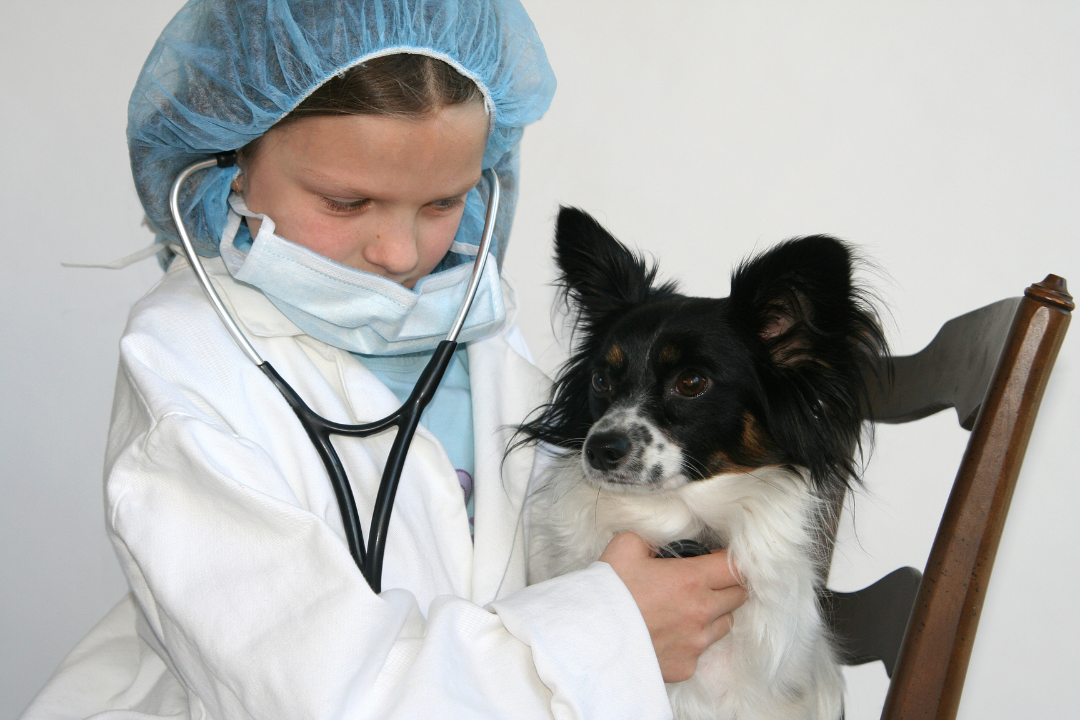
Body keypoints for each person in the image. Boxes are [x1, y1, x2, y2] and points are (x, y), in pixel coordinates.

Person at [22, 1, 746, 718]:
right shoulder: (185, 367)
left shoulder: (471, 322)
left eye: (443, 203)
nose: (401, 255)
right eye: (346, 201)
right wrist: (609, 636)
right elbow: (311, 696)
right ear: (230, 161)